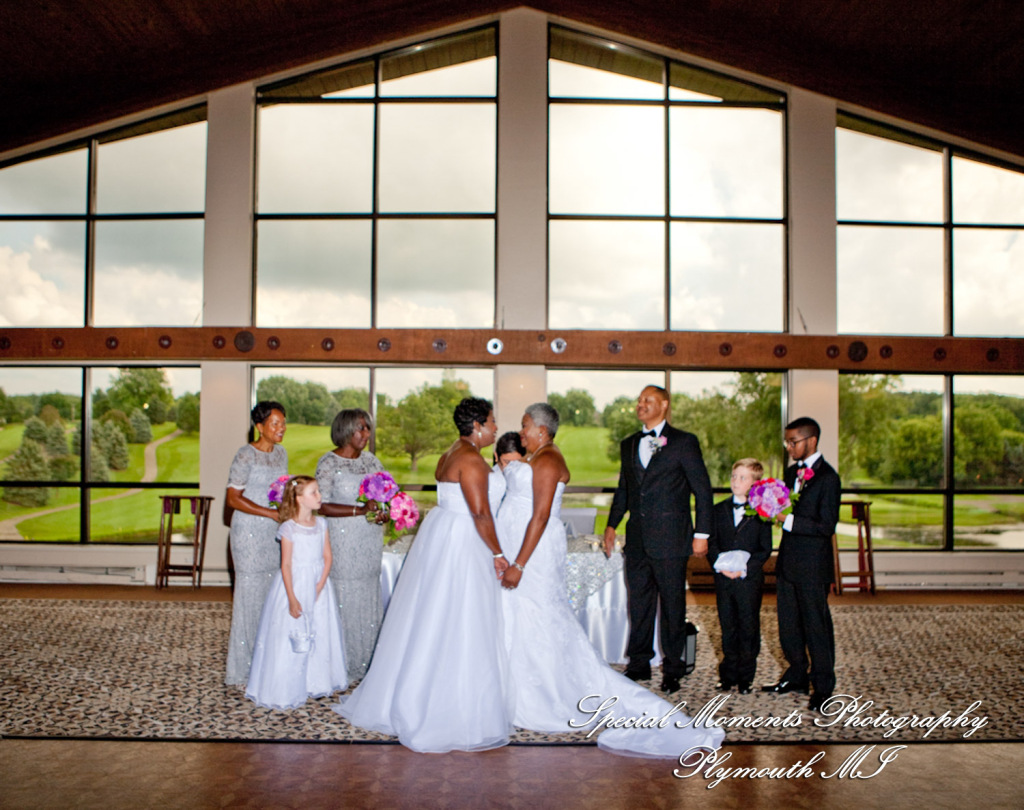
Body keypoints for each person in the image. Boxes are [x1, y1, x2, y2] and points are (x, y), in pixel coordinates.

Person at [497, 403, 725, 759]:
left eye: (525, 425)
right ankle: (525, 682)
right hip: (550, 548)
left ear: (541, 429)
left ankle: (554, 689)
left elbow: (539, 517)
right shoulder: (543, 455)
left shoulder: (547, 459)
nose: (521, 431)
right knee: (533, 615)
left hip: (539, 554)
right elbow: (624, 489)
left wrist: (520, 564)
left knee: (545, 615)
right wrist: (611, 524)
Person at [333, 398, 513, 753]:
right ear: (477, 425)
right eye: (492, 421)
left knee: (433, 613)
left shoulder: (451, 452)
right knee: (461, 617)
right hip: (463, 539)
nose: (496, 428)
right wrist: (498, 552)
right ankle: (448, 704)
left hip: (444, 532)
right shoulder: (471, 460)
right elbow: (480, 513)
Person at [602, 385, 714, 693]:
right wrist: (612, 524)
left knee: (673, 607)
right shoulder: (628, 444)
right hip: (637, 540)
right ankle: (639, 663)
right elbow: (625, 489)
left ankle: (673, 667)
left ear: (664, 405)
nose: (641, 404)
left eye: (647, 400)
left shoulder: (684, 442)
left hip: (672, 540)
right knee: (639, 604)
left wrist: (702, 533)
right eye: (639, 400)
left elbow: (702, 489)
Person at [245, 476, 348, 709]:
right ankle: (287, 684)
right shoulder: (289, 528)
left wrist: (319, 585)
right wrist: (292, 598)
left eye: (318, 491)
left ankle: (315, 680)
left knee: (319, 629)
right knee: (292, 632)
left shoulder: (322, 524)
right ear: (299, 499)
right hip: (294, 584)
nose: (319, 496)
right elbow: (286, 564)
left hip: (319, 585)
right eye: (314, 492)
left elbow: (327, 557)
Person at [761, 417, 841, 714]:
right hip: (788, 560)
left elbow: (826, 525)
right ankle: (796, 674)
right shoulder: (790, 472)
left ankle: (823, 686)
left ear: (812, 440)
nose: (789, 447)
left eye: (793, 441)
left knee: (816, 627)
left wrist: (788, 520)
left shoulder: (828, 478)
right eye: (787, 442)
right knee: (788, 625)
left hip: (813, 565)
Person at [315, 408, 387, 681]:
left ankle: (366, 661)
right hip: (343, 540)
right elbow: (320, 505)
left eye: (368, 428)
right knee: (344, 595)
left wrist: (384, 511)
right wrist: (359, 510)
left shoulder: (371, 461)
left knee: (367, 594)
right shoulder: (328, 463)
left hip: (369, 539)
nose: (366, 433)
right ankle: (340, 664)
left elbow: (385, 495)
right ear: (345, 430)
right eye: (361, 428)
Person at [225, 401, 289, 686]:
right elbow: (233, 498)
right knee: (250, 598)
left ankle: (267, 662)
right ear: (260, 427)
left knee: (271, 597)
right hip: (248, 534)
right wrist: (269, 513)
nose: (281, 428)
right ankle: (244, 667)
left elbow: (280, 491)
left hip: (273, 534)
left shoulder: (282, 454)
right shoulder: (245, 454)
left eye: (283, 423)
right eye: (275, 423)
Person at [707, 458, 773, 695]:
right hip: (723, 579)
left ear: (754, 483)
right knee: (727, 627)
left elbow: (765, 549)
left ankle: (746, 677)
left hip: (748, 581)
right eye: (734, 476)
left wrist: (745, 568)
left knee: (748, 627)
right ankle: (728, 675)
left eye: (743, 478)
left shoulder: (762, 513)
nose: (736, 481)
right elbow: (711, 542)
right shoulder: (718, 510)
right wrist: (720, 566)